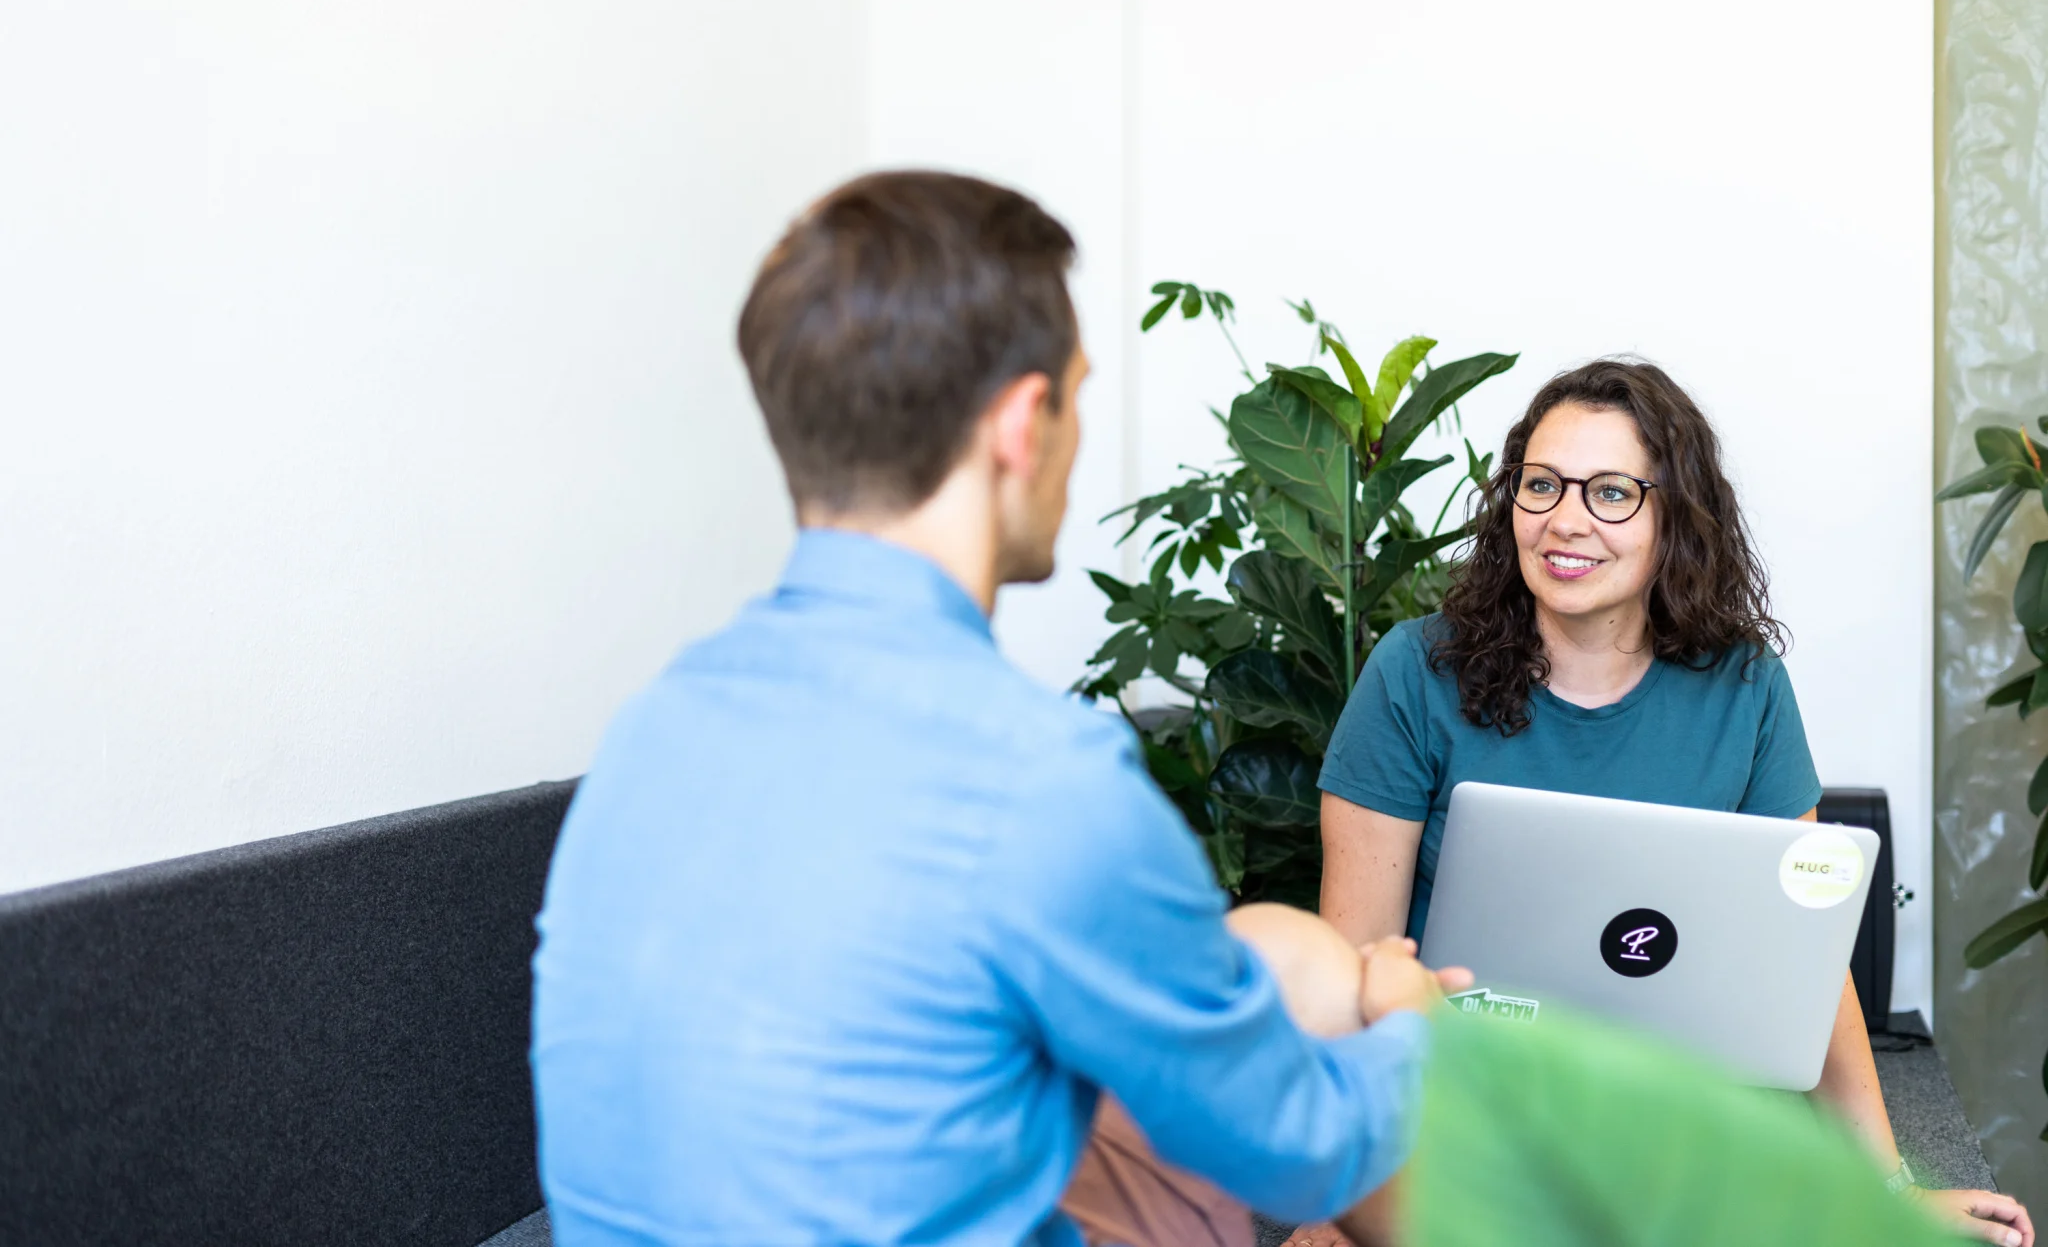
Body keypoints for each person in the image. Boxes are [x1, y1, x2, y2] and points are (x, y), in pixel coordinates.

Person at [529, 169, 1468, 1247]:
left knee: (1282, 957)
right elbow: (1307, 1150)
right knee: (1349, 1016)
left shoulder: (658, 725)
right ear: (1023, 423)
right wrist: (1409, 1026)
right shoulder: (1037, 781)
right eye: (1075, 392)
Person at [1314, 358, 2033, 1247]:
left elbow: (1804, 959)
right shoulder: (1411, 675)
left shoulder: (1747, 687)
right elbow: (1348, 968)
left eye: (1611, 491)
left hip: (1688, 1127)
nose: (1564, 519)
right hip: (1474, 1124)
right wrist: (1346, 1197)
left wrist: (1885, 1188)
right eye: (1539, 485)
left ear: (1673, 517)